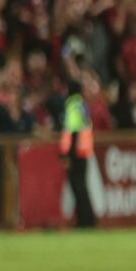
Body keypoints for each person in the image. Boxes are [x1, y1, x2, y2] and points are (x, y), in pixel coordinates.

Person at [60, 70, 100, 230]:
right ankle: (88, 219)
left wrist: (66, 154)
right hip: (84, 150)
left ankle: (85, 221)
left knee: (78, 186)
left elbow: (72, 131)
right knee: (82, 186)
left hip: (75, 152)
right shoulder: (83, 104)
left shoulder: (72, 104)